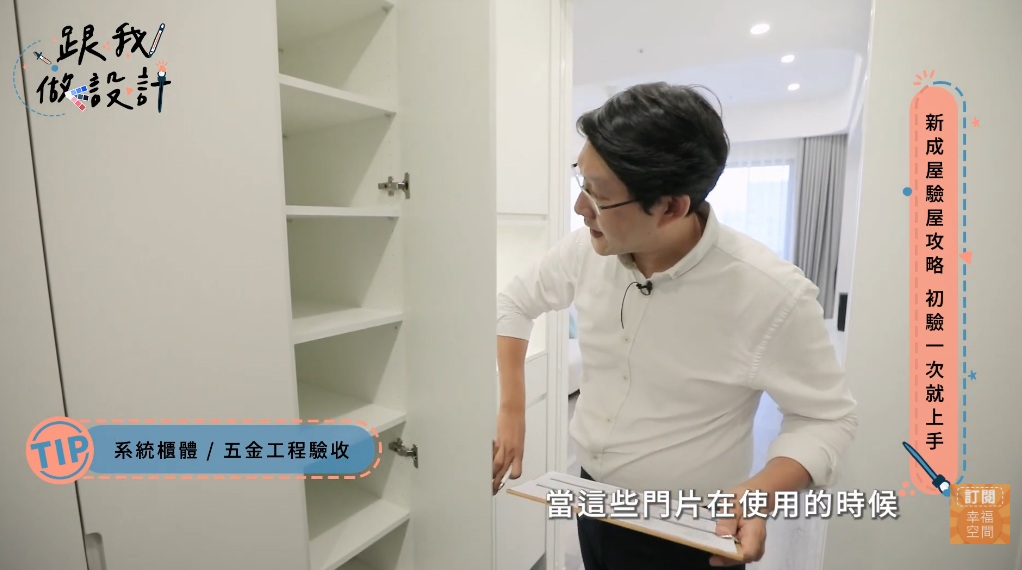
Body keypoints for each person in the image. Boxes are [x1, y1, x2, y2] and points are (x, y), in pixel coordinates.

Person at [492, 82, 859, 569]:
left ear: (671, 206)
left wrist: (761, 491)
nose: (580, 209)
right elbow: (514, 303)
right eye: (582, 182)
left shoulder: (771, 293)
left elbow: (826, 418)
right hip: (593, 498)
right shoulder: (585, 249)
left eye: (599, 196)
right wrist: (512, 409)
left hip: (692, 526)